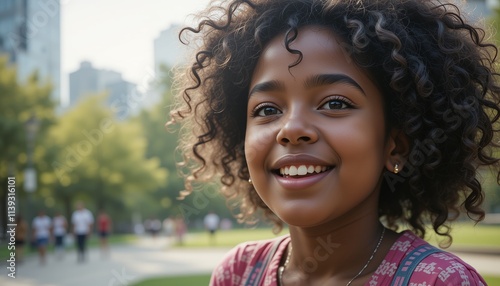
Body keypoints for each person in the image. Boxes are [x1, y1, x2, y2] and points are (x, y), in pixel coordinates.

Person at [169, 0, 500, 285]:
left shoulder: (438, 281)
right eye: (268, 109)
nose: (292, 129)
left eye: (335, 103)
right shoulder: (238, 274)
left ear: (395, 145)